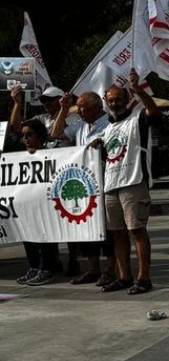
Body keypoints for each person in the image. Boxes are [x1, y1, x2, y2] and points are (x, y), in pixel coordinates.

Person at [96, 71, 161, 294]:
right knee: (117, 233)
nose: (114, 103)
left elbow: (155, 113)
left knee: (137, 230)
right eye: (111, 100)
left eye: (118, 99)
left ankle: (144, 278)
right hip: (111, 186)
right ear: (106, 102)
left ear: (126, 100)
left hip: (134, 182)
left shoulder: (138, 119)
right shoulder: (106, 129)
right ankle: (124, 276)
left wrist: (140, 90)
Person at [51, 91, 114, 284]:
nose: (78, 111)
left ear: (96, 108)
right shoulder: (80, 127)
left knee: (109, 230)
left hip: (105, 182)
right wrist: (63, 108)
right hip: (85, 186)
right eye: (77, 107)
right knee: (88, 229)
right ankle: (93, 268)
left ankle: (111, 269)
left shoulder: (109, 123)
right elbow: (55, 133)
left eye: (82, 107)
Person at [15, 119, 61, 285]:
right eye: (23, 136)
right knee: (28, 235)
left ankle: (48, 268)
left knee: (45, 235)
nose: (26, 139)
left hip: (46, 204)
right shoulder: (19, 158)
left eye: (30, 135)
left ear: (40, 136)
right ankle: (34, 266)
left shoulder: (53, 154)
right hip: (27, 204)